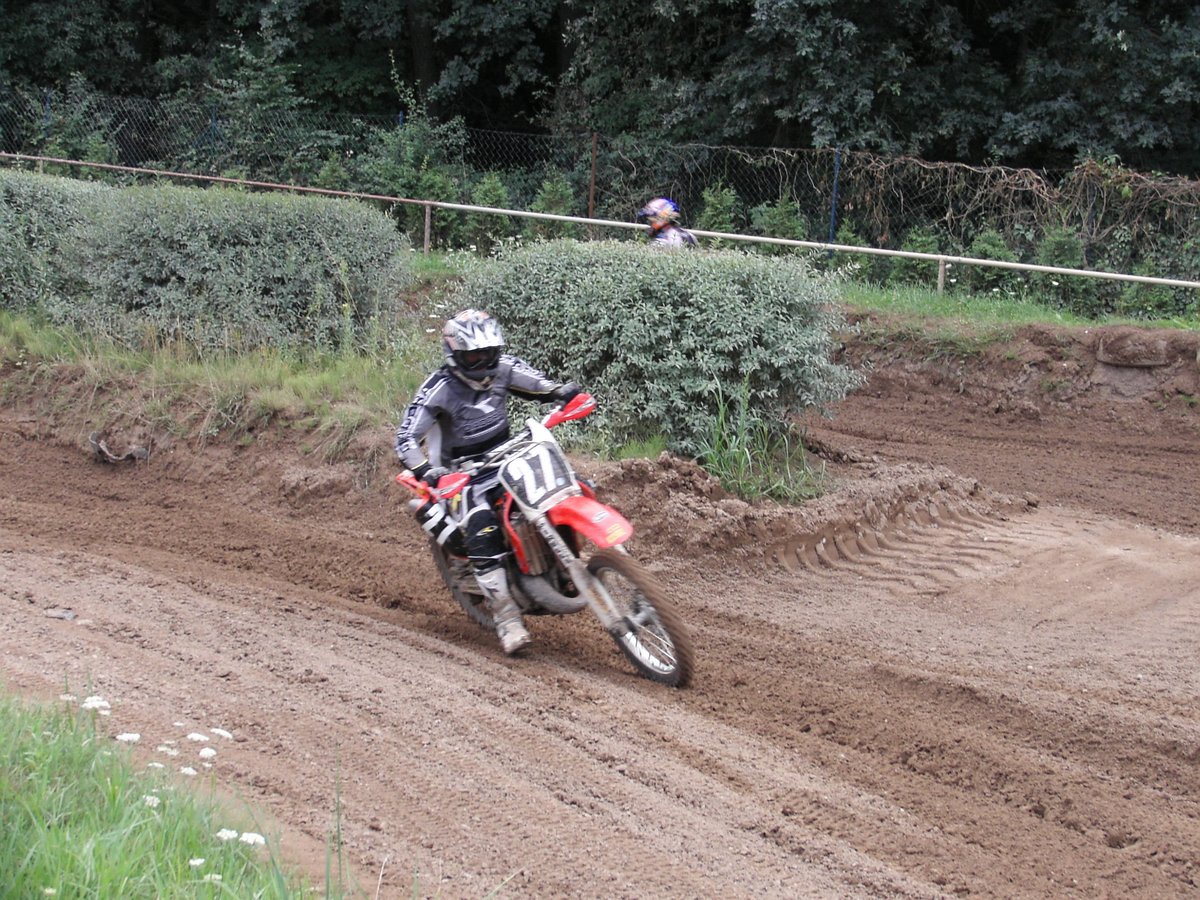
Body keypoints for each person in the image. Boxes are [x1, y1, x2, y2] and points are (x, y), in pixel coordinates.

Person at [395, 309, 581, 656]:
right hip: (459, 475)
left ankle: (570, 560)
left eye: (490, 353)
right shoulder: (437, 389)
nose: (484, 362)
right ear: (454, 355)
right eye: (474, 356)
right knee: (482, 526)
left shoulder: (503, 367)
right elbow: (405, 438)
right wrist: (425, 470)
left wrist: (560, 391)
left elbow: (538, 384)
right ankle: (507, 617)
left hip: (507, 457)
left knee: (570, 484)